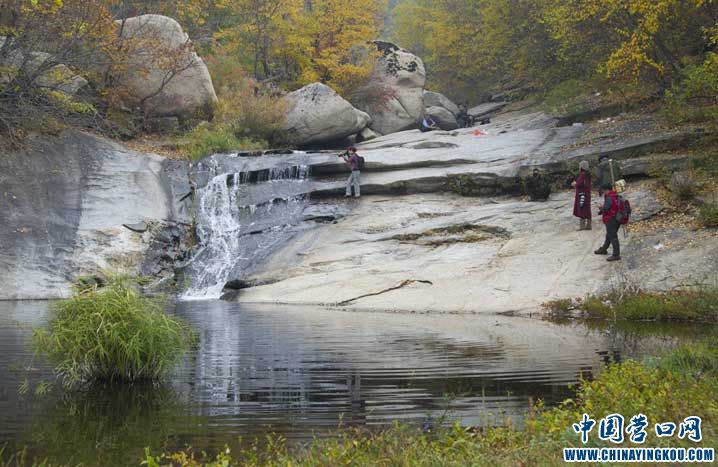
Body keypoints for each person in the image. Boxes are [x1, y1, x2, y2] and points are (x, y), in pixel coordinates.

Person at [594, 182, 621, 261]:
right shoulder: (615, 195)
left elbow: (606, 209)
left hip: (611, 219)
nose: (602, 192)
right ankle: (603, 249)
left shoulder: (609, 197)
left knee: (613, 237)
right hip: (617, 218)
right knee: (609, 235)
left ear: (605, 190)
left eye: (603, 190)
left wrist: (600, 208)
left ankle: (616, 255)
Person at [572, 160, 592, 230]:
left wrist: (574, 184)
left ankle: (582, 226)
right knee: (587, 208)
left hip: (582, 194)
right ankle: (589, 225)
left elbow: (580, 184)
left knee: (582, 208)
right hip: (587, 193)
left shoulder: (583, 174)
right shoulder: (588, 174)